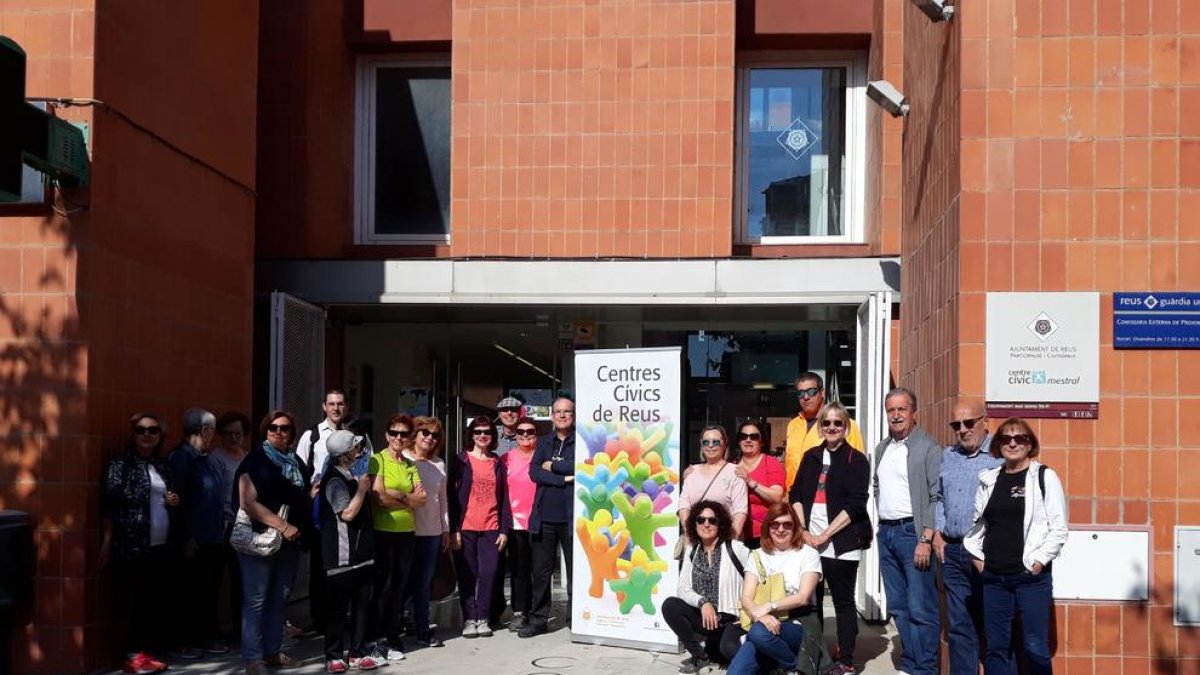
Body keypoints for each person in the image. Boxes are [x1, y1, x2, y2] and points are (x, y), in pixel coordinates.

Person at [965, 419, 1068, 675]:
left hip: (1030, 579)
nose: (1012, 443)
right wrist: (979, 560)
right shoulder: (989, 479)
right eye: (1006, 439)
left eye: (1019, 438)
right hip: (994, 578)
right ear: (998, 445)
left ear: (1030, 444)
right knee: (996, 648)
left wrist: (1038, 562)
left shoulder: (1044, 477)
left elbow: (1059, 529)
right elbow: (978, 526)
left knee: (1035, 647)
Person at [789, 403, 872, 675]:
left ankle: (845, 660)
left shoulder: (856, 460)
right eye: (827, 423)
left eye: (838, 423)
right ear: (820, 427)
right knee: (810, 603)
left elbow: (856, 504)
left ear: (846, 428)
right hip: (809, 542)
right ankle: (816, 656)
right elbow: (796, 494)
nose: (832, 427)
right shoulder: (811, 456)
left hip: (841, 543)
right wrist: (804, 531)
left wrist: (824, 535)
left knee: (843, 602)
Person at [234, 410, 312, 675]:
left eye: (285, 428)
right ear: (265, 431)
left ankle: (272, 652)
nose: (279, 432)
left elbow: (298, 497)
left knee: (280, 598)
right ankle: (253, 658)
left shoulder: (295, 462)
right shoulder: (255, 461)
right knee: (256, 600)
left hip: (289, 543)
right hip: (258, 540)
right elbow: (248, 502)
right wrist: (283, 526)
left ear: (292, 433)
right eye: (273, 428)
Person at [100, 413, 178, 675]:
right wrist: (107, 539)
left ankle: (143, 654)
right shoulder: (120, 464)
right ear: (133, 435)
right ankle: (129, 655)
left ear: (159, 436)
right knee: (129, 601)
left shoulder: (162, 465)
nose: (146, 435)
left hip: (159, 544)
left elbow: (168, 497)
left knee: (149, 601)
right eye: (141, 430)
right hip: (130, 542)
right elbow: (109, 504)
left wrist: (173, 500)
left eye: (152, 430)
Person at [872, 387, 942, 675]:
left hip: (913, 534)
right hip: (887, 534)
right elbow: (877, 486)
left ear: (914, 413)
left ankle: (924, 668)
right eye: (891, 410)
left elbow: (937, 496)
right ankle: (911, 664)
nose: (896, 415)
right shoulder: (882, 449)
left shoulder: (928, 448)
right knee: (899, 606)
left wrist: (926, 537)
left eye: (902, 409)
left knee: (921, 607)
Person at [935, 400, 1003, 675]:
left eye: (969, 422)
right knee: (959, 626)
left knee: (995, 624)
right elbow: (940, 497)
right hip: (953, 552)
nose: (962, 430)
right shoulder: (948, 456)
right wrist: (938, 532)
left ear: (985, 421)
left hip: (987, 554)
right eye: (956, 425)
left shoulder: (1001, 456)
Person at [296, 389, 373, 629]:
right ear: (324, 406)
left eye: (340, 404)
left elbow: (368, 464)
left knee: (352, 566)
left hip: (354, 504)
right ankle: (321, 619)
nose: (336, 408)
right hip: (324, 507)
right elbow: (300, 468)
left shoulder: (360, 436)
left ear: (346, 406)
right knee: (322, 565)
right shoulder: (312, 436)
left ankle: (344, 619)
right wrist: (308, 494)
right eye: (331, 404)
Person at [726, 502, 823, 675]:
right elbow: (746, 597)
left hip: (798, 621)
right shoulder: (757, 555)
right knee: (735, 672)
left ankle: (792, 667)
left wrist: (769, 606)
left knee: (758, 633)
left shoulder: (808, 554)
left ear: (795, 527)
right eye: (775, 524)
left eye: (787, 524)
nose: (781, 529)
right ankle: (785, 665)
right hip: (764, 622)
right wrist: (760, 615)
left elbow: (803, 597)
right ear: (768, 527)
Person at [166, 408, 227, 657]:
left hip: (212, 536)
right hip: (194, 539)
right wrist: (187, 536)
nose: (213, 436)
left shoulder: (204, 459)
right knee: (189, 592)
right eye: (212, 431)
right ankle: (184, 640)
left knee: (208, 591)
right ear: (204, 431)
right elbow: (178, 500)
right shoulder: (181, 458)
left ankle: (206, 636)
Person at [662, 501, 750, 674]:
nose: (706, 524)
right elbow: (683, 588)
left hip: (733, 620)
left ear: (720, 523)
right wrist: (703, 603)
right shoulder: (692, 550)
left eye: (712, 520)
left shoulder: (735, 548)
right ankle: (701, 657)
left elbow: (757, 579)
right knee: (670, 605)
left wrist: (749, 613)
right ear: (694, 524)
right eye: (701, 520)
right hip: (706, 618)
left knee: (730, 651)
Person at [319, 431, 380, 673]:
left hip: (362, 553)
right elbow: (347, 514)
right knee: (337, 607)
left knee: (362, 605)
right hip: (341, 554)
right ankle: (333, 654)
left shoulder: (351, 474)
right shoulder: (334, 479)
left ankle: (357, 651)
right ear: (344, 454)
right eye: (355, 447)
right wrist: (363, 489)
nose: (359, 451)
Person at [366, 414, 425, 663]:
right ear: (386, 435)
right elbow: (379, 497)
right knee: (383, 587)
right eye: (394, 433)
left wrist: (398, 495)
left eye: (403, 434)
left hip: (406, 532)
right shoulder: (377, 460)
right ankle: (375, 639)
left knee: (398, 587)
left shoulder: (410, 464)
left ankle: (391, 637)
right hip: (383, 532)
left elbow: (421, 499)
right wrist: (407, 497)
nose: (398, 437)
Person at [520, 395, 577, 638]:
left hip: (573, 519)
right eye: (558, 411)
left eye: (567, 411)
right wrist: (564, 479)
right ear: (552, 416)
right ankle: (538, 620)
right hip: (544, 518)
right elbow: (534, 472)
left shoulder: (581, 441)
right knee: (541, 573)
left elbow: (582, 466)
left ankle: (575, 619)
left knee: (575, 572)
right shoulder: (544, 442)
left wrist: (552, 466)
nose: (562, 415)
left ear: (573, 415)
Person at [450, 416, 511, 638]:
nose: (482, 435)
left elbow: (504, 498)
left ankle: (483, 617)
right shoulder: (461, 460)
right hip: (466, 527)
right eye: (478, 432)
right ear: (471, 435)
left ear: (493, 436)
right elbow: (451, 496)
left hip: (492, 527)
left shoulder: (497, 462)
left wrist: (504, 529)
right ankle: (469, 619)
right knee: (467, 574)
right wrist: (454, 528)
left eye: (487, 432)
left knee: (489, 572)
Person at [402, 416, 450, 648]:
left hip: (431, 532)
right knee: (401, 581)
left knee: (424, 584)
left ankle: (423, 629)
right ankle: (396, 626)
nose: (430, 438)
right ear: (415, 434)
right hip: (405, 531)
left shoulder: (439, 464)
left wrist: (446, 530)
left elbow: (443, 500)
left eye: (435, 435)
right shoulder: (403, 459)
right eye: (425, 433)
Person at [784, 373, 864, 490]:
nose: (805, 397)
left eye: (811, 392)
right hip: (794, 495)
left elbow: (857, 468)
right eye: (800, 393)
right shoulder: (793, 425)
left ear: (822, 392)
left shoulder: (842, 424)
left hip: (826, 495)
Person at [212, 411, 251, 637]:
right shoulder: (216, 458)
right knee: (217, 580)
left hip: (244, 525)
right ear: (221, 434)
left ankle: (241, 629)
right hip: (224, 526)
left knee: (241, 580)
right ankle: (214, 632)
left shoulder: (247, 456)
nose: (234, 437)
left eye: (238, 433)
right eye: (229, 433)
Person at [678, 426, 748, 542]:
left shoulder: (735, 472)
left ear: (724, 444)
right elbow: (683, 507)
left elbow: (740, 511)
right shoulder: (692, 472)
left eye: (715, 442)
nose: (710, 446)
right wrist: (690, 536)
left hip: (725, 540)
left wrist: (729, 543)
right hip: (696, 541)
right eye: (706, 442)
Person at [502, 416, 539, 632]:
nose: (525, 435)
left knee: (540, 570)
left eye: (530, 431)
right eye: (521, 432)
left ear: (537, 434)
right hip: (515, 522)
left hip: (539, 520)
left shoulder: (543, 456)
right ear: (515, 435)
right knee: (519, 569)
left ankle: (538, 612)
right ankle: (519, 611)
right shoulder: (506, 458)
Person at [733, 420, 785, 549]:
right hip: (736, 533)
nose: (748, 440)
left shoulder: (770, 463)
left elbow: (777, 497)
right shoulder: (731, 466)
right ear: (739, 441)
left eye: (754, 437)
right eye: (744, 436)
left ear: (761, 442)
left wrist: (750, 481)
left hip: (765, 534)